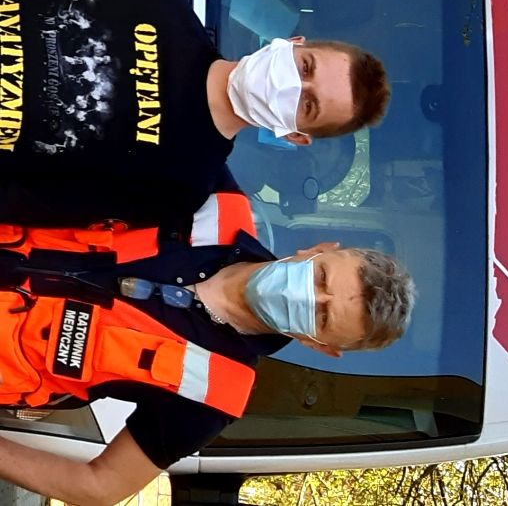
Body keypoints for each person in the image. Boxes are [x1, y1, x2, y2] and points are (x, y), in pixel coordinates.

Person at [0, 175, 416, 500]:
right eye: (321, 277)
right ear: (316, 250)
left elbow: (100, 486)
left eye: (321, 316)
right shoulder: (210, 196)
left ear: (318, 345)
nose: (305, 295)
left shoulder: (214, 392)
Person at [0, 0, 390, 227]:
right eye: (305, 67)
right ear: (292, 43)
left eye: (307, 105)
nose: (289, 85)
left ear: (294, 136)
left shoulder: (181, 187)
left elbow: (29, 201)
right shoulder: (159, 2)